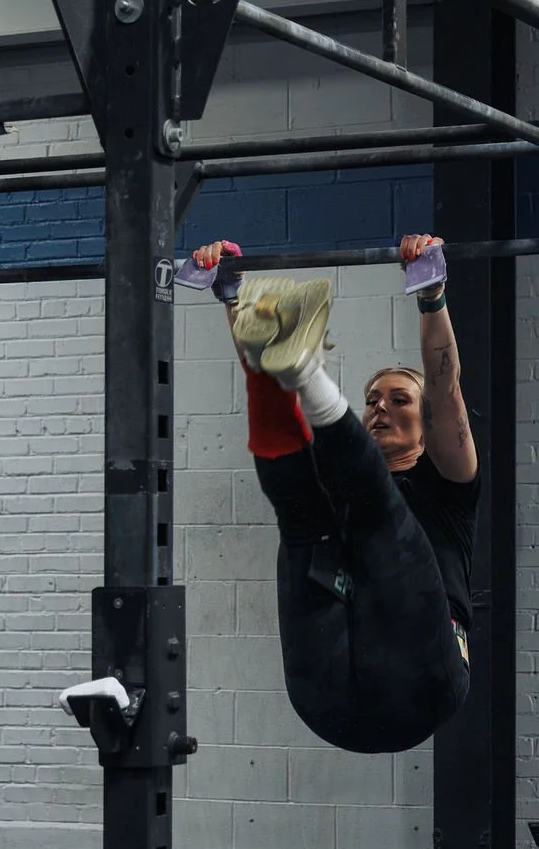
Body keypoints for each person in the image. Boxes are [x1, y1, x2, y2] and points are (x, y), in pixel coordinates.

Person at [189, 235, 479, 754]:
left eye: (398, 399)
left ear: (425, 420)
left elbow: (446, 388)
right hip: (328, 701)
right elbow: (262, 365)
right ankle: (299, 368)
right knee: (301, 507)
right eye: (371, 400)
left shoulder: (448, 483)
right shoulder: (343, 475)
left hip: (420, 683)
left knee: (376, 514)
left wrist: (432, 294)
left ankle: (308, 372)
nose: (380, 407)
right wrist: (233, 298)